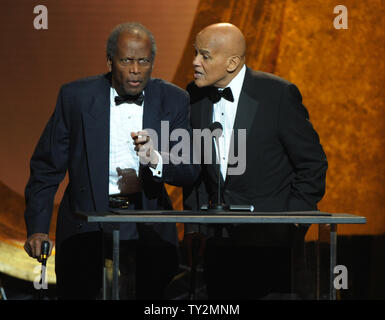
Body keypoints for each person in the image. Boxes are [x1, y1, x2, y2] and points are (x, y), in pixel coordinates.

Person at [23, 22, 199, 300]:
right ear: (109, 61)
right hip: (86, 224)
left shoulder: (174, 100)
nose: (135, 70)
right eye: (126, 60)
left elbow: (189, 170)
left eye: (143, 61)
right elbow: (46, 168)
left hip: (148, 226)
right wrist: (37, 229)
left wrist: (156, 160)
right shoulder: (76, 97)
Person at [183, 23, 328, 299]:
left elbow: (312, 163)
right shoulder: (194, 96)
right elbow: (197, 169)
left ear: (232, 62)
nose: (195, 62)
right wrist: (194, 225)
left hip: (272, 243)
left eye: (204, 55)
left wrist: (294, 221)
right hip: (218, 243)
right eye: (195, 53)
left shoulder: (278, 95)